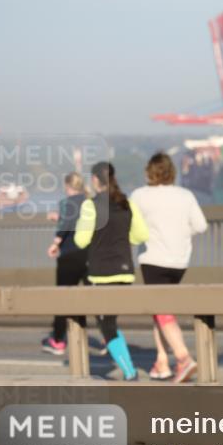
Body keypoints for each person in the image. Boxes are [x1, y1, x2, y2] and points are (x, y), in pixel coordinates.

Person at [130, 152, 208, 384]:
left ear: (149, 172)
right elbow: (201, 226)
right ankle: (162, 362)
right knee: (161, 311)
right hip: (180, 261)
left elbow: (132, 227)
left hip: (153, 259)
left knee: (161, 310)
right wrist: (183, 233)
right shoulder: (185, 195)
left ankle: (183, 358)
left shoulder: (140, 195)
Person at [73, 161, 148, 381]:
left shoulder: (91, 206)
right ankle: (127, 366)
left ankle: (130, 373)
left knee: (107, 325)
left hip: (100, 273)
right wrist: (124, 241)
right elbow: (142, 235)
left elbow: (80, 240)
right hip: (125, 271)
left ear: (95, 180)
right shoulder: (127, 203)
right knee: (110, 321)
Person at [41, 172, 89, 356]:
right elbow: (74, 218)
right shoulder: (88, 201)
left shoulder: (67, 202)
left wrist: (55, 243)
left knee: (62, 298)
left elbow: (67, 222)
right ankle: (109, 338)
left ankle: (58, 340)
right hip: (90, 255)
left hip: (70, 255)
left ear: (67, 185)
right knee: (96, 297)